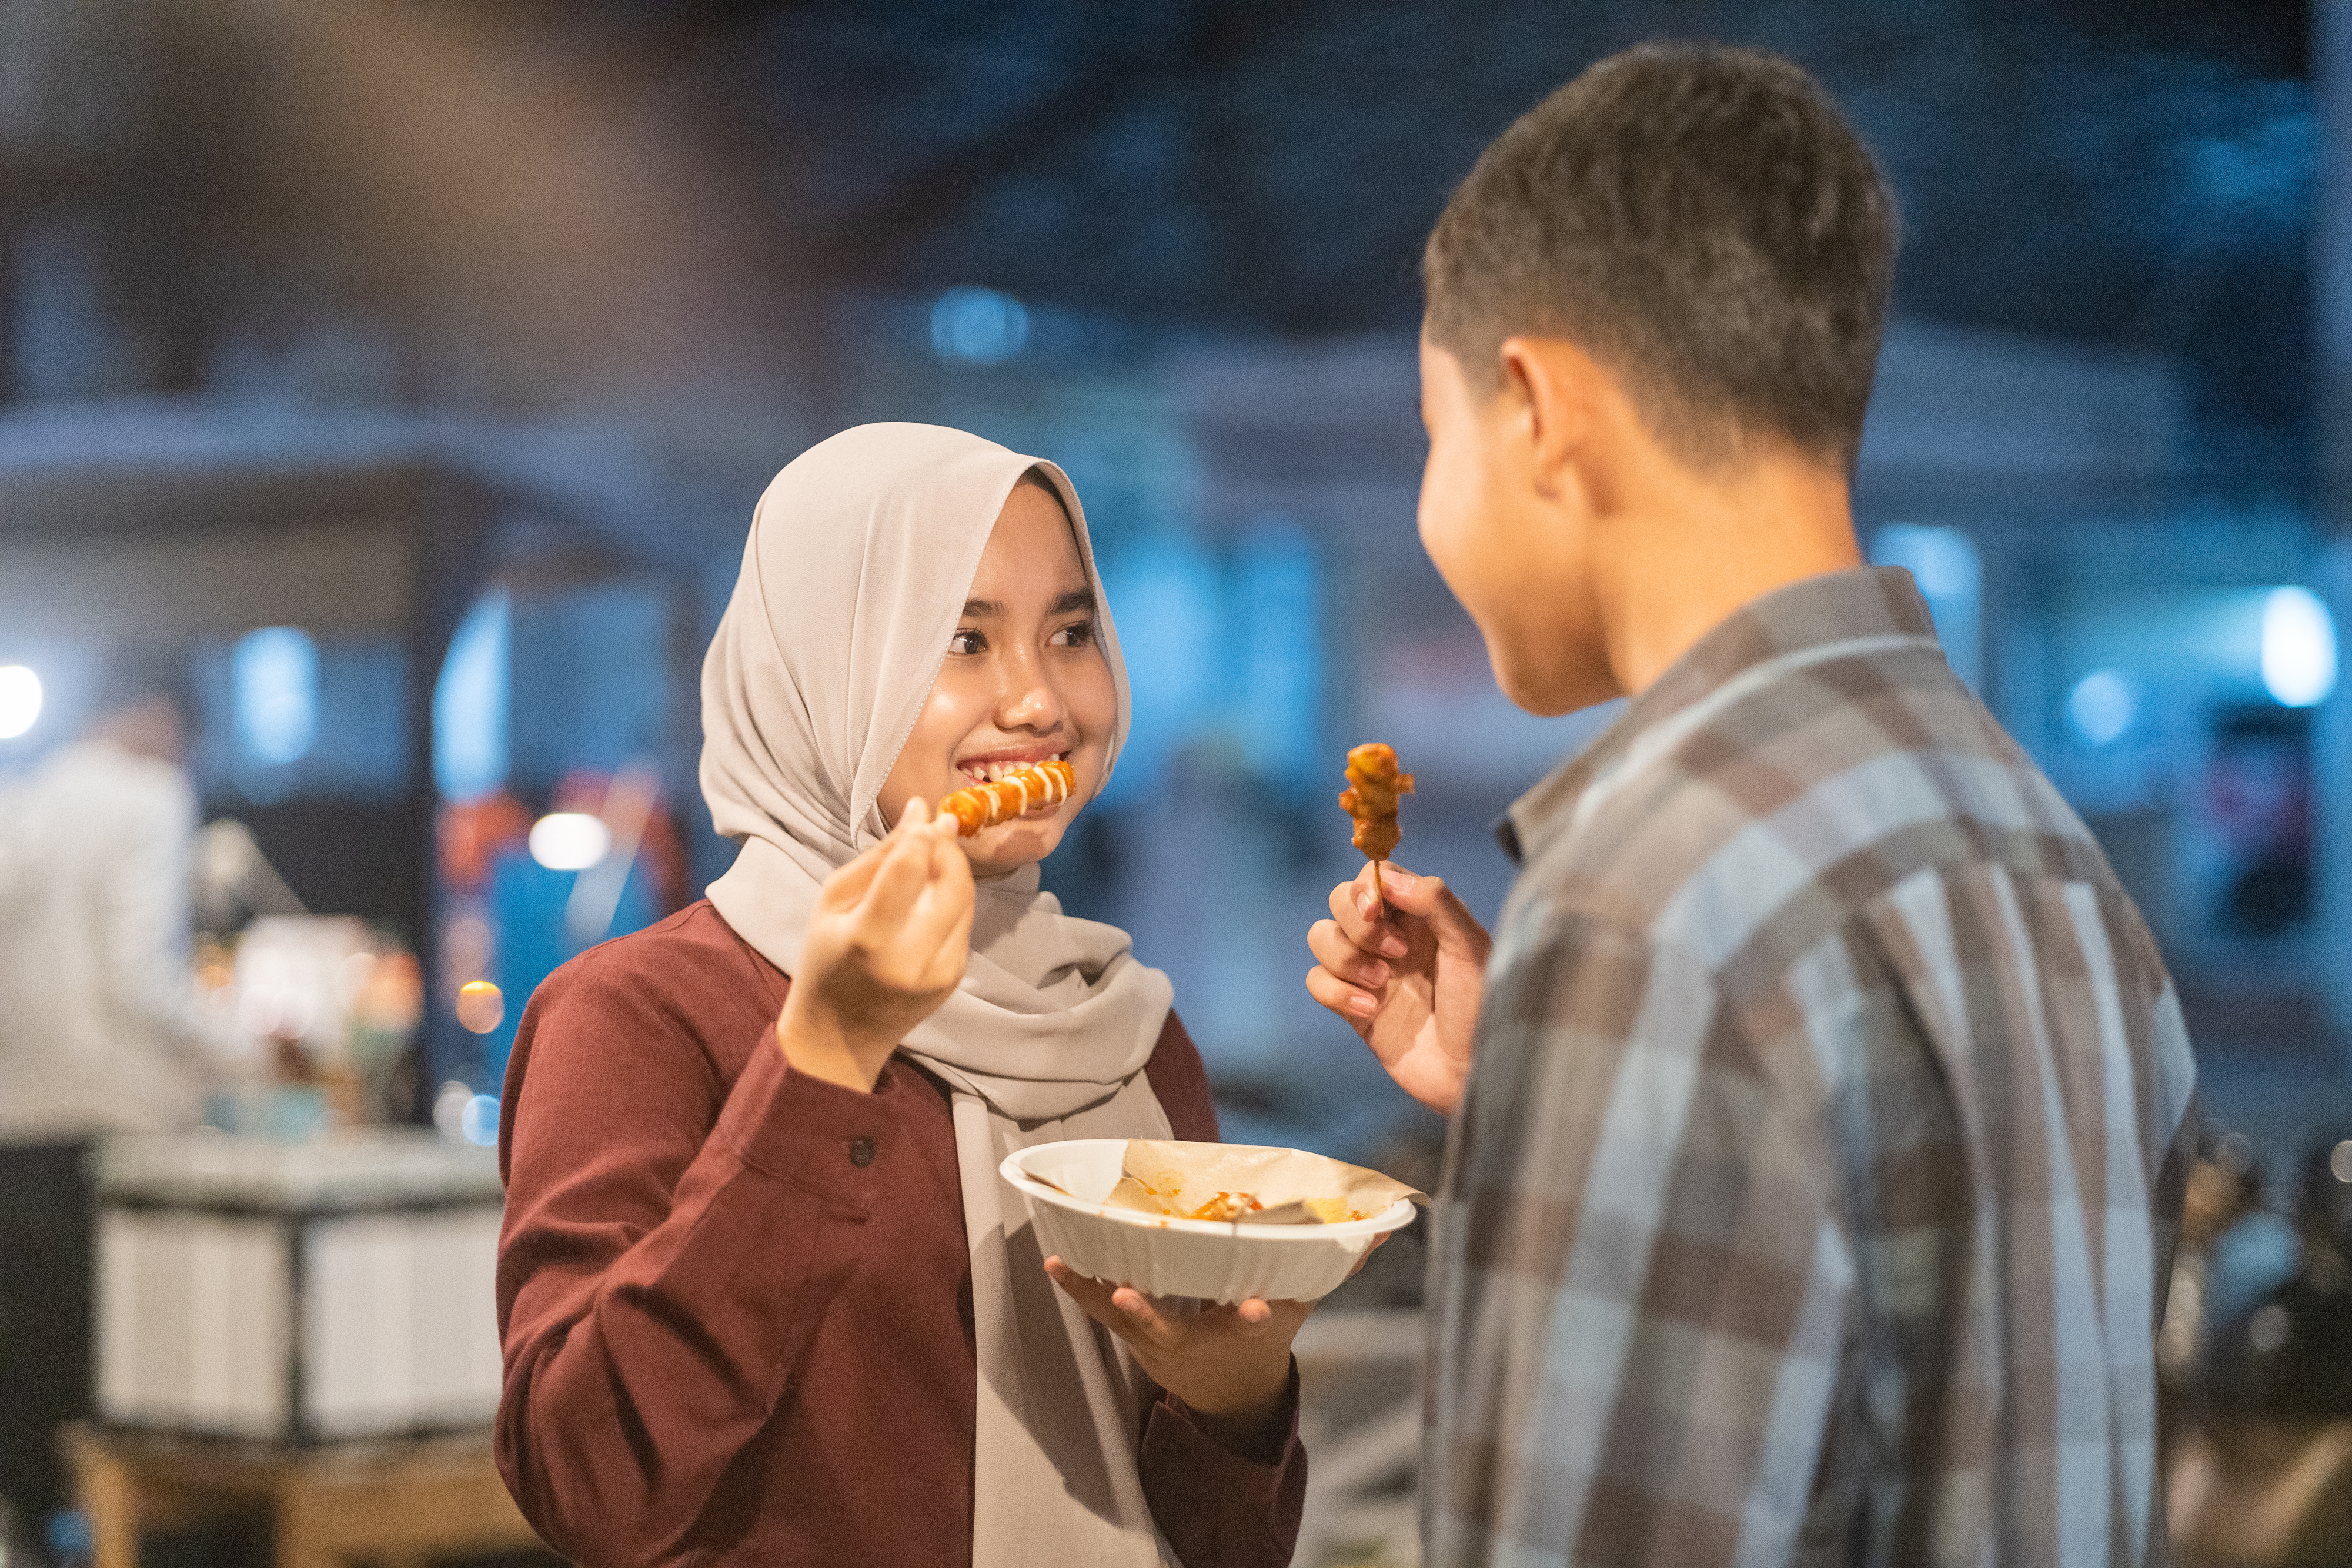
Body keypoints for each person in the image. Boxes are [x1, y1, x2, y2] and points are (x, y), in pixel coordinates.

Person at [1304, 44, 2197, 1566]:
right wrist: (1540, 1082)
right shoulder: (2052, 865)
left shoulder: (1651, 899)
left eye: (1431, 435)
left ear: (1537, 408)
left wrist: (1603, 1015)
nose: (1427, 500)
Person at [496, 423, 1311, 1567]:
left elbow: (1227, 1546)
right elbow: (588, 1482)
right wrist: (824, 1056)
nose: (1037, 701)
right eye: (961, 636)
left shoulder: (1122, 1027)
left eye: (1069, 631)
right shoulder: (643, 1014)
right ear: (824, 667)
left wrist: (1236, 1401)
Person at [0, 654, 253, 1543]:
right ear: (158, 719)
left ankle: (33, 1531)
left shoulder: (24, 796)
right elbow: (139, 973)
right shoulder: (147, 797)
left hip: (15, 1120)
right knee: (124, 1369)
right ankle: (129, 1541)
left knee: (28, 1359)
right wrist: (248, 1049)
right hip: (115, 1120)